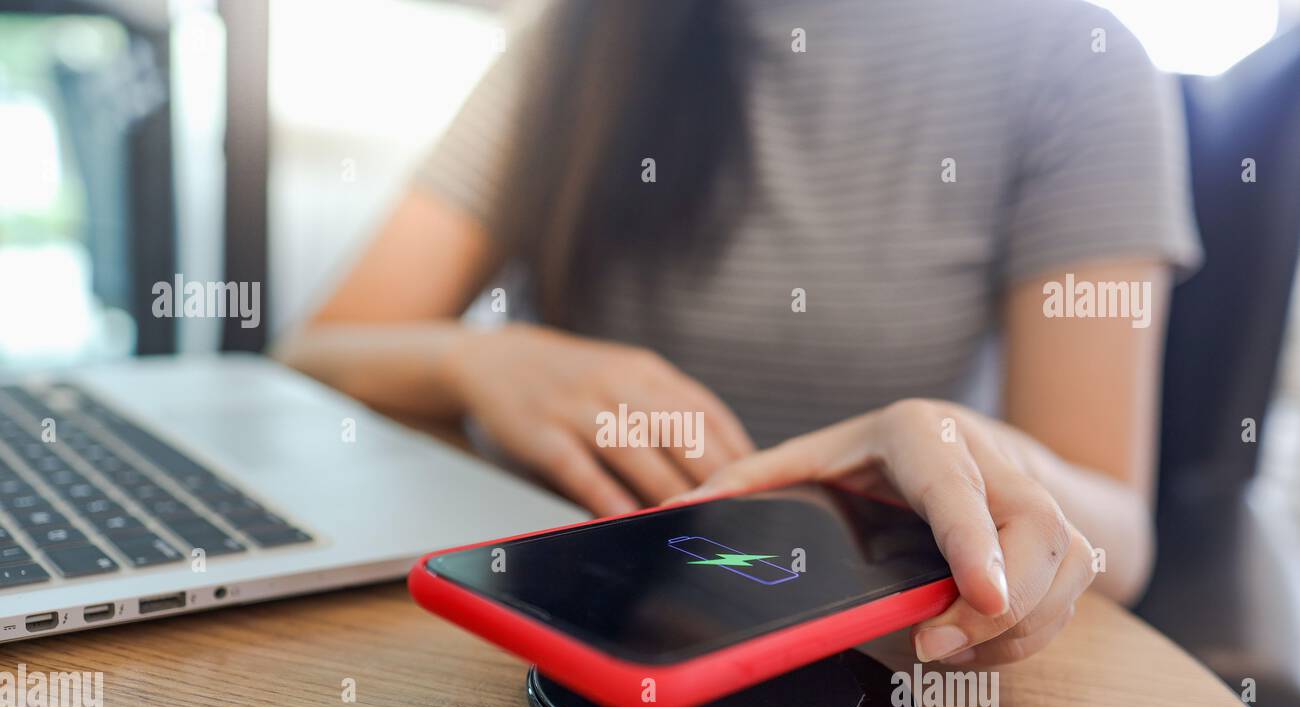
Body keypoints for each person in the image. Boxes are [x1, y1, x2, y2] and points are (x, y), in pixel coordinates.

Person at [278, 0, 1201, 666]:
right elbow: (311, 357)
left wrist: (977, 457)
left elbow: (1116, 522)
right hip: (519, 633)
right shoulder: (576, 35)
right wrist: (484, 360)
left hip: (875, 670)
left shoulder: (1073, 58)